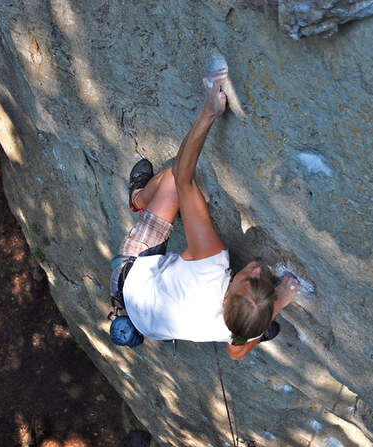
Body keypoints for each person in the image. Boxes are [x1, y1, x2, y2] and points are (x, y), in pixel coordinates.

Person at [110, 67, 300, 360]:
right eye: (264, 282)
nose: (259, 269)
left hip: (132, 279)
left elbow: (183, 176)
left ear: (227, 297)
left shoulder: (210, 267)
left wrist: (208, 113)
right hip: (151, 324)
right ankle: (141, 198)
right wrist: (280, 301)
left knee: (172, 181)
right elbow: (235, 353)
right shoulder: (241, 323)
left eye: (250, 278)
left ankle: (139, 197)